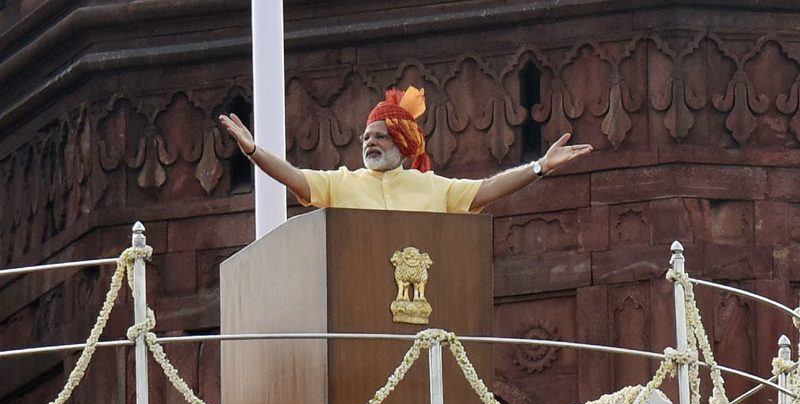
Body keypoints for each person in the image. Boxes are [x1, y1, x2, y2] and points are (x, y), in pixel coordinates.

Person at [219, 86, 592, 213]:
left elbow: (487, 190)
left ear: (402, 141)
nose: (370, 142)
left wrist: (540, 167)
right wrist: (253, 151)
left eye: (380, 136)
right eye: (366, 137)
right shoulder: (343, 184)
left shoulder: (431, 188)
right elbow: (295, 179)